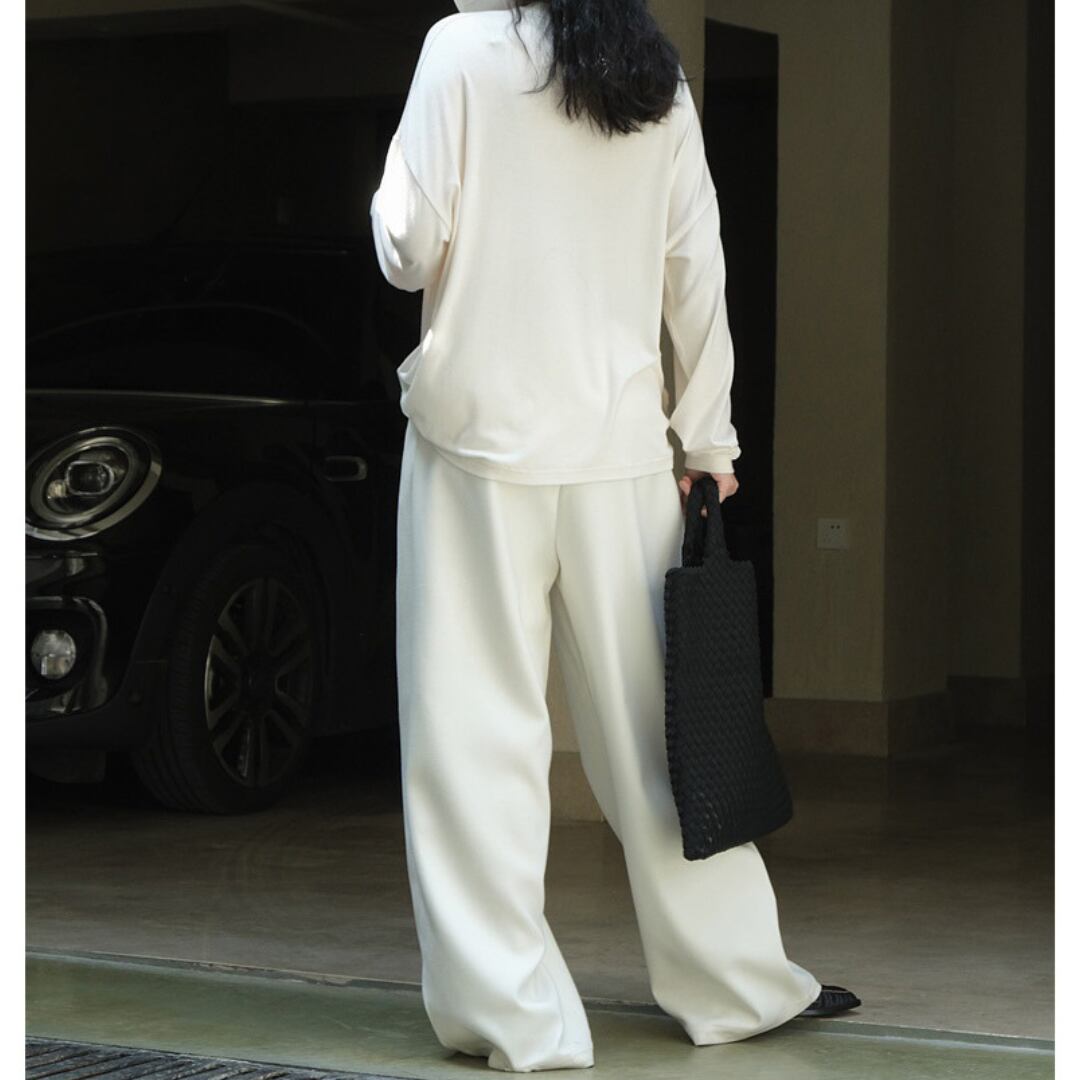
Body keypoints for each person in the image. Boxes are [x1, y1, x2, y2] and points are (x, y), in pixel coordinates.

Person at [370, 0, 860, 1071]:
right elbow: (697, 266)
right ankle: (737, 984)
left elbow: (407, 250)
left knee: (472, 740)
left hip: (474, 445)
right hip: (622, 447)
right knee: (662, 735)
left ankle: (519, 1019)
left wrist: (392, 185)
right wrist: (709, 436)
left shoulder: (459, 50)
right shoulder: (652, 72)